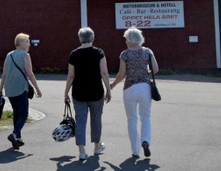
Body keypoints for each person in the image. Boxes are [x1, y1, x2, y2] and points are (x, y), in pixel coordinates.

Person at [110, 27, 159, 158]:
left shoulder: (125, 54)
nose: (125, 42)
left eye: (126, 39)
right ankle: (145, 141)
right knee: (146, 117)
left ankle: (135, 151)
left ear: (130, 41)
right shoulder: (148, 52)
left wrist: (113, 85)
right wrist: (146, 73)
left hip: (129, 88)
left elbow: (121, 74)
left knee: (132, 119)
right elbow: (155, 68)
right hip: (145, 87)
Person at [64, 27, 112, 160]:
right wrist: (108, 89)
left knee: (80, 120)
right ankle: (97, 147)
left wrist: (66, 92)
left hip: (78, 92)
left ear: (80, 39)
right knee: (96, 119)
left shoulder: (74, 54)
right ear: (92, 38)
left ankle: (82, 151)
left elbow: (71, 75)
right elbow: (104, 72)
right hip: (96, 91)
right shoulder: (99, 52)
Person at [0, 33, 42, 149]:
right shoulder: (25, 55)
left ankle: (18, 139)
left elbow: (4, 74)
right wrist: (38, 89)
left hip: (9, 88)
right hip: (21, 88)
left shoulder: (9, 55)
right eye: (27, 41)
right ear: (21, 43)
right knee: (24, 114)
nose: (29, 44)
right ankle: (13, 134)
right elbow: (30, 74)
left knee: (16, 113)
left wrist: (0, 91)